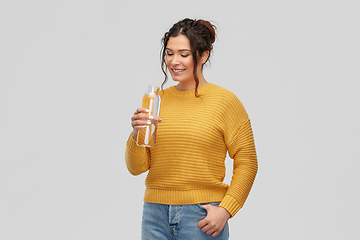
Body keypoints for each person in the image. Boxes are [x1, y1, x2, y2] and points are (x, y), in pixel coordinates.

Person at [125, 18, 258, 240]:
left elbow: (248, 162)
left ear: (203, 55)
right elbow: (136, 167)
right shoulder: (156, 100)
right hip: (154, 213)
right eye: (169, 53)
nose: (174, 61)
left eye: (183, 54)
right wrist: (136, 133)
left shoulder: (225, 101)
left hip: (201, 216)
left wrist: (226, 210)